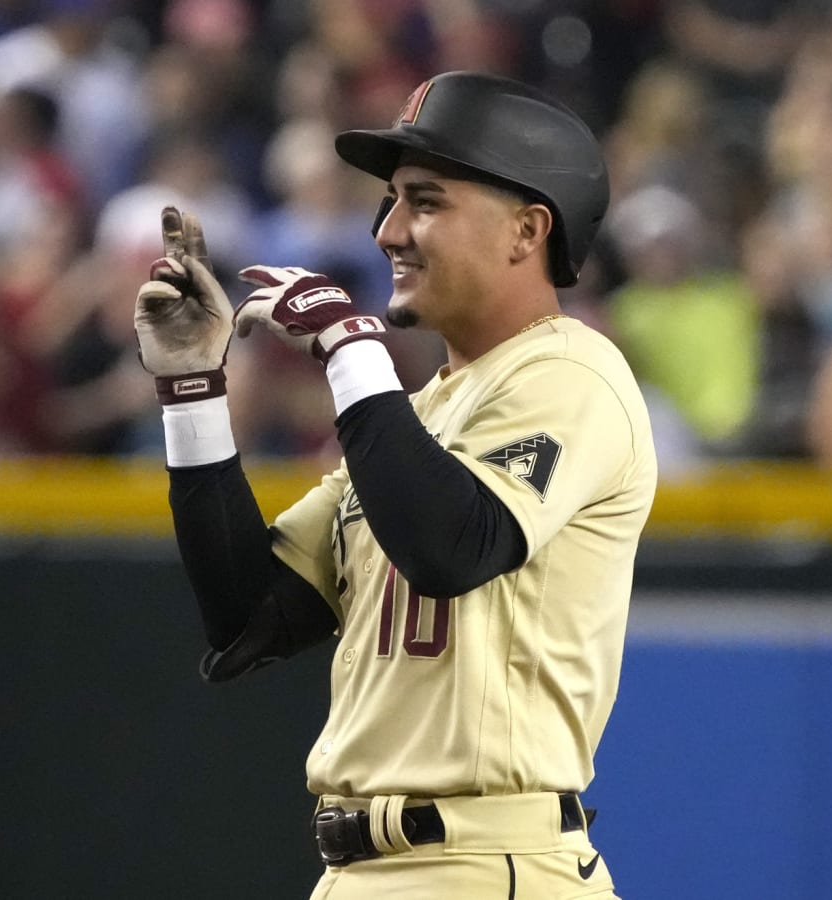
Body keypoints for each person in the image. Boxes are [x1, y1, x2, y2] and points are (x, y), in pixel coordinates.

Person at [134, 71, 657, 899]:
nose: (388, 231)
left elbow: (452, 550)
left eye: (426, 200)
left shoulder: (573, 370)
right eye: (390, 201)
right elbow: (246, 620)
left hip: (487, 865)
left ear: (527, 229)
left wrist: (351, 347)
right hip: (372, 870)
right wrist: (194, 391)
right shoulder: (420, 415)